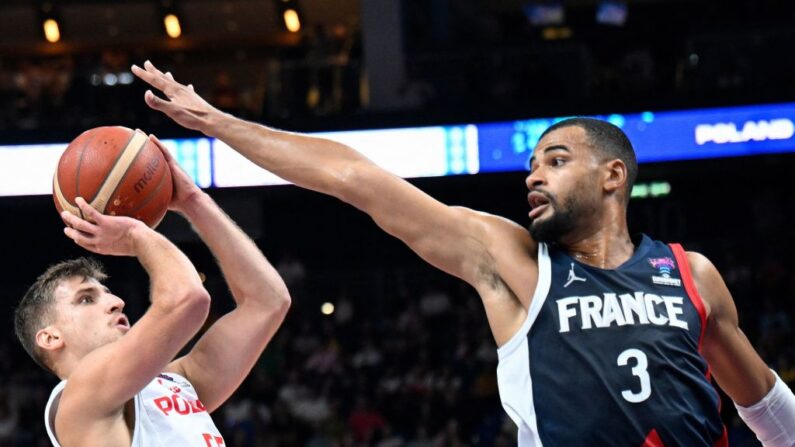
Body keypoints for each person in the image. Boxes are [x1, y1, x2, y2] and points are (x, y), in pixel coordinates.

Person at [132, 61, 795, 446]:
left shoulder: (690, 273)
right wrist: (219, 123)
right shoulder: (513, 263)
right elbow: (354, 179)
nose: (533, 176)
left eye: (556, 161)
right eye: (531, 164)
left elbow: (764, 407)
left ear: (612, 176)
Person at [14, 134, 291, 446]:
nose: (116, 302)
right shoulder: (79, 397)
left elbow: (267, 301)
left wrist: (192, 201)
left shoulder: (178, 382)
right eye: (86, 299)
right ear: (50, 337)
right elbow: (188, 300)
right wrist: (135, 234)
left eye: (107, 292)